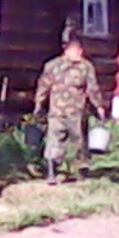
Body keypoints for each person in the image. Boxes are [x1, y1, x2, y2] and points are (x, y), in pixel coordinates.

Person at [33, 36, 106, 184]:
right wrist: (38, 105)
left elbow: (92, 89)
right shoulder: (52, 65)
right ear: (67, 50)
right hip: (57, 112)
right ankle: (52, 174)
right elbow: (43, 87)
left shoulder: (86, 67)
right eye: (75, 50)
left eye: (79, 51)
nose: (78, 53)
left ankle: (82, 173)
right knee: (54, 141)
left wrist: (99, 106)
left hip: (77, 113)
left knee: (79, 143)